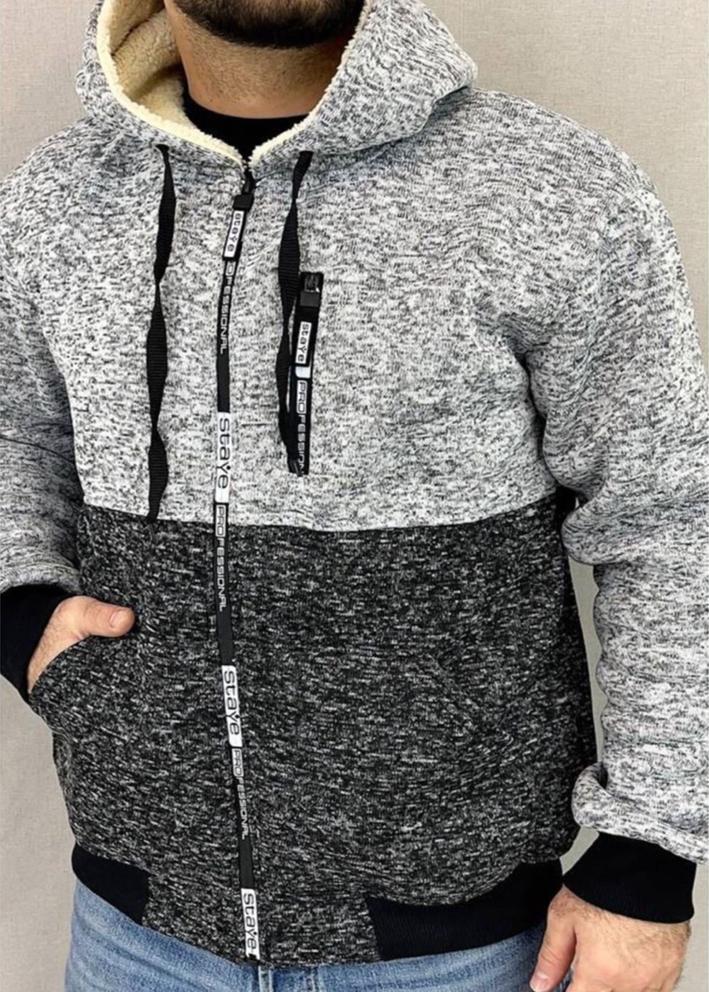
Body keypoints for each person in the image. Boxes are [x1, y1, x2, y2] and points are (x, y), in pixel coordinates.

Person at [1, 0, 707, 989]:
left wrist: (647, 857)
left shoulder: (550, 187)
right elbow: (13, 439)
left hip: (462, 949)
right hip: (136, 934)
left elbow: (668, 517)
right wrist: (22, 613)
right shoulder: (57, 199)